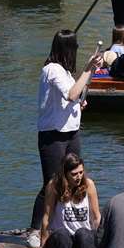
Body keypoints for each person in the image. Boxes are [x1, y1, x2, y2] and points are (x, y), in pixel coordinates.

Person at [32, 30, 104, 230]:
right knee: (52, 184)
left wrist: (79, 104)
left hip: (71, 133)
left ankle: (65, 224)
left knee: (74, 179)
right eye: (75, 48)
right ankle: (36, 229)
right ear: (68, 49)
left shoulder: (66, 73)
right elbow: (71, 94)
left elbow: (74, 98)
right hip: (53, 135)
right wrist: (88, 69)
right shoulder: (52, 69)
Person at [38, 153, 100, 248]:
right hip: (61, 242)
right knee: (62, 234)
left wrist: (102, 246)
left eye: (81, 172)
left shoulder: (89, 185)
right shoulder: (54, 186)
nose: (78, 177)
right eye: (74, 174)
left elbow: (96, 218)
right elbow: (46, 218)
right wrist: (42, 247)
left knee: (84, 233)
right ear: (65, 174)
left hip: (82, 242)